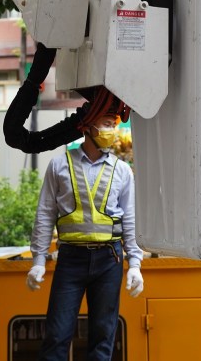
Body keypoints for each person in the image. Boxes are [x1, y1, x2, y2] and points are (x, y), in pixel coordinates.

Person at [23, 101, 144, 361]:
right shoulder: (59, 166)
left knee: (103, 337)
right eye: (107, 124)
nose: (112, 130)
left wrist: (135, 262)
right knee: (57, 335)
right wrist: (38, 261)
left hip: (109, 259)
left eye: (114, 125)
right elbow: (45, 213)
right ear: (87, 127)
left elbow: (130, 218)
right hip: (71, 259)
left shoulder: (122, 171)